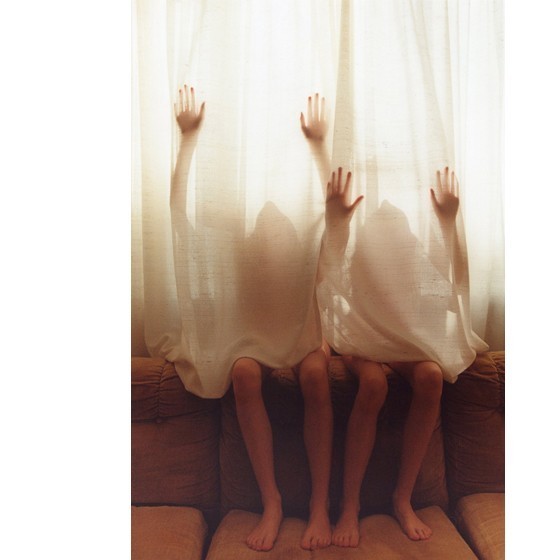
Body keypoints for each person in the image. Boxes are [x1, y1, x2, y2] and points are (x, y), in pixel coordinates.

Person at [302, 94, 484, 547]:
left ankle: (402, 499)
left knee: (431, 377)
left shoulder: (412, 260)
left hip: (401, 344)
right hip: (362, 345)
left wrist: (448, 223)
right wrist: (334, 209)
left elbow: (453, 293)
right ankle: (349, 505)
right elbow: (327, 279)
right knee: (373, 383)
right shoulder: (358, 255)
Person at [172, 85, 333, 552]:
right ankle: (271, 501)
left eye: (278, 229)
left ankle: (320, 504)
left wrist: (319, 148)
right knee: (243, 372)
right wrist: (187, 143)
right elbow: (182, 217)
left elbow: (333, 219)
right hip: (255, 343)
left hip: (305, 340)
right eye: (263, 230)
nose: (270, 226)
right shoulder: (242, 264)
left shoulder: (304, 260)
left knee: (316, 374)